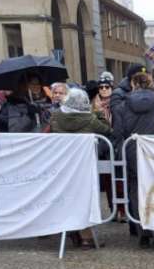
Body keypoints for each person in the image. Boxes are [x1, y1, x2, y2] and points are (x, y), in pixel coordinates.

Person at [113, 71, 154, 249]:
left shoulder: (122, 105)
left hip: (132, 152)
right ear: (151, 84)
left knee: (136, 191)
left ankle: (143, 232)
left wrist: (121, 152)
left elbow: (117, 132)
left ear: (133, 85)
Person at [50, 88, 117, 250]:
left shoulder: (56, 116)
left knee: (67, 196)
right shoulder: (89, 118)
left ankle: (72, 230)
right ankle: (86, 237)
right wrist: (99, 113)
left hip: (63, 164)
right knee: (84, 198)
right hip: (83, 166)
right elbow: (108, 130)